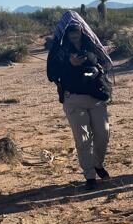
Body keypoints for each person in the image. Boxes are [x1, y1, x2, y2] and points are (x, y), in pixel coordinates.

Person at [47, 11, 114, 190]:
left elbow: (104, 64)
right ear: (65, 33)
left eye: (76, 30)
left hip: (96, 97)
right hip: (73, 98)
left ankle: (97, 164)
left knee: (103, 134)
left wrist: (97, 71)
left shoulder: (92, 45)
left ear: (82, 30)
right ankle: (89, 175)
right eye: (70, 31)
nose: (74, 34)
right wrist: (70, 64)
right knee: (83, 139)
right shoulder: (59, 51)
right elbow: (52, 74)